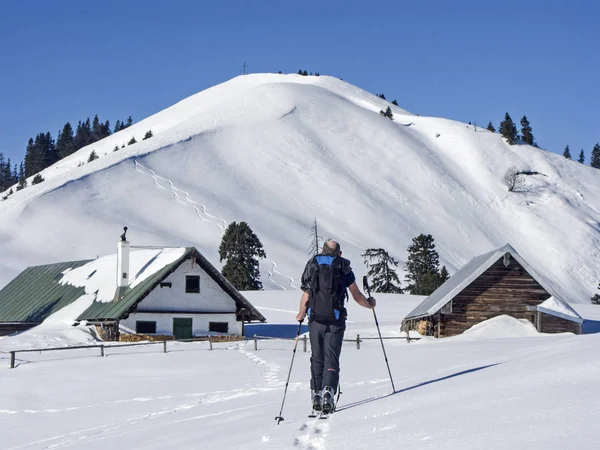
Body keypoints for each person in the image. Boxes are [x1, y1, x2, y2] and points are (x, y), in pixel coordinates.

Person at [296, 240, 376, 413]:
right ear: (338, 253)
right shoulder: (343, 266)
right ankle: (328, 393)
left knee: (317, 357)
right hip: (336, 320)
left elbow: (306, 293)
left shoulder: (312, 264)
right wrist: (370, 304)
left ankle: (316, 393)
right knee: (331, 357)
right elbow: (356, 295)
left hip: (315, 319)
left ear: (322, 251)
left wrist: (301, 313)